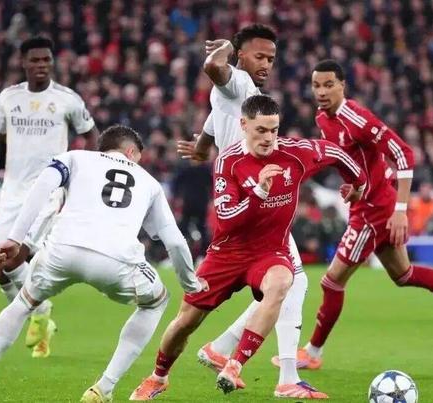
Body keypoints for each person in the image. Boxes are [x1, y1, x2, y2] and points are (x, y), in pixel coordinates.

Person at [0, 125, 204, 403]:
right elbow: (175, 242)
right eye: (138, 157)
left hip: (62, 251)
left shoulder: (75, 158)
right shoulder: (149, 183)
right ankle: (103, 388)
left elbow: (43, 188)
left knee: (22, 303)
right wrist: (191, 283)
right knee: (156, 301)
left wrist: (17, 239)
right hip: (116, 261)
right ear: (131, 152)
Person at [130, 95, 366, 400]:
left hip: (269, 252)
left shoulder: (295, 153)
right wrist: (259, 192)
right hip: (227, 253)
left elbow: (335, 152)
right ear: (244, 125)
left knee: (283, 281)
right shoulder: (229, 161)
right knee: (185, 322)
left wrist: (357, 183)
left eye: (274, 130)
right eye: (261, 130)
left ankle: (234, 365)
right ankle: (158, 377)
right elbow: (226, 219)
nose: (268, 138)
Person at [278, 59, 433, 372]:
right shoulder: (322, 117)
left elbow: (403, 153)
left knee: (332, 282)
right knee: (404, 275)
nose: (321, 91)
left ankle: (313, 352)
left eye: (329, 85)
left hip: (374, 212)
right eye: (316, 85)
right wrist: (356, 186)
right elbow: (361, 161)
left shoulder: (357, 118)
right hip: (368, 201)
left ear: (343, 86)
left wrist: (400, 210)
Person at [0, 36, 100, 358]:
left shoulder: (67, 99)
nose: (41, 65)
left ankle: (40, 312)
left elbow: (90, 133)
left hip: (48, 191)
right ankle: (40, 315)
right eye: (35, 60)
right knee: (0, 268)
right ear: (23, 63)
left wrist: (85, 170)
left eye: (46, 60)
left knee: (14, 259)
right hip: (12, 191)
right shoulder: (9, 98)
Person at [176, 24, 316, 398]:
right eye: (259, 56)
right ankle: (286, 378)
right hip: (251, 201)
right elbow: (213, 67)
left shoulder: (240, 95)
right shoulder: (237, 82)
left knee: (286, 284)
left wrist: (202, 148)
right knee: (291, 282)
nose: (266, 63)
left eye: (271, 57)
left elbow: (212, 122)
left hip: (246, 201)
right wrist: (222, 48)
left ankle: (221, 348)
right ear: (241, 55)